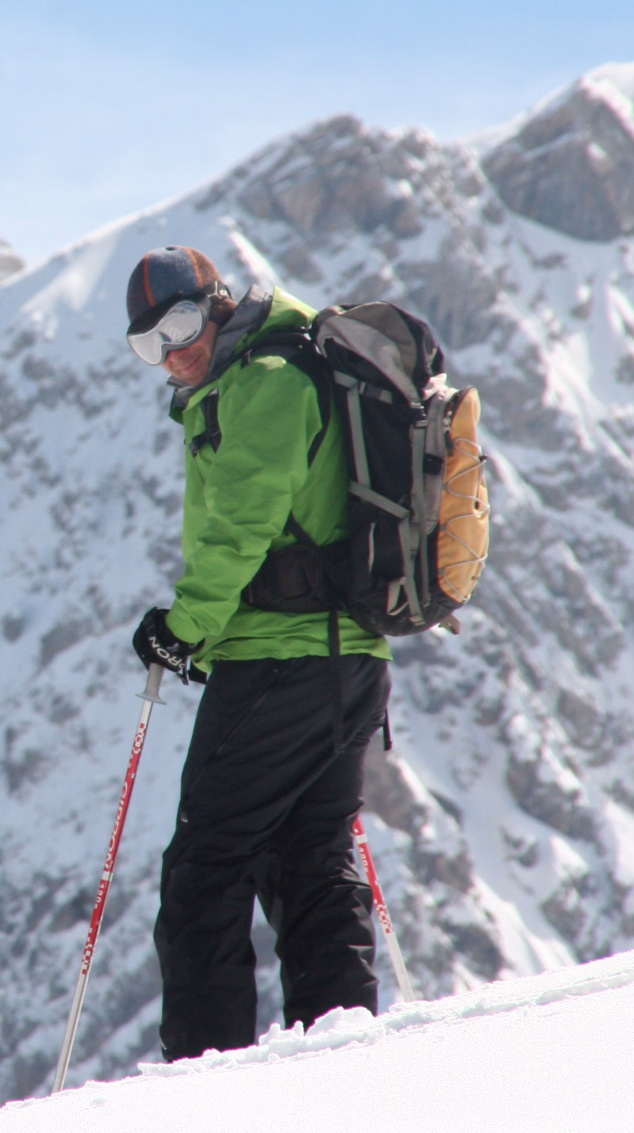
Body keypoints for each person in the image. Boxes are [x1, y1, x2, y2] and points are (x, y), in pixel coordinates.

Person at [122, 245, 392, 1062]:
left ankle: (208, 1086)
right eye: (149, 345)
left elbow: (243, 523)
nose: (173, 351)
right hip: (347, 665)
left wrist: (184, 628)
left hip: (284, 663)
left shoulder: (268, 382)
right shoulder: (267, 370)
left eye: (177, 324)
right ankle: (339, 1058)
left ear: (215, 302)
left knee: (206, 867)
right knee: (310, 859)